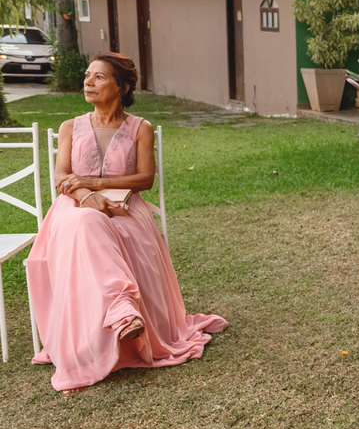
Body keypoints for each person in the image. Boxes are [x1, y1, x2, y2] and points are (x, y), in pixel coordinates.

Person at [29, 54, 226, 393]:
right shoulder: (69, 127)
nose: (88, 82)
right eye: (87, 75)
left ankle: (120, 317)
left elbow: (145, 179)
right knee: (86, 223)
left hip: (125, 209)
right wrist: (86, 197)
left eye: (99, 77)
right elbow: (62, 176)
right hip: (72, 209)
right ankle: (122, 310)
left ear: (122, 87)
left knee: (94, 226)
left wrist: (95, 184)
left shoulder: (140, 128)